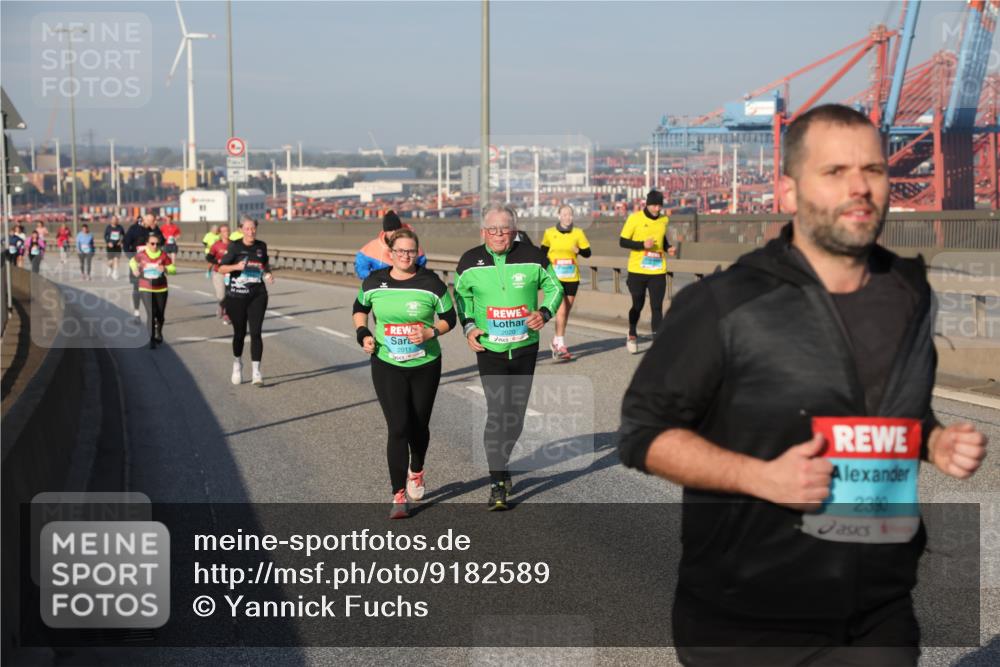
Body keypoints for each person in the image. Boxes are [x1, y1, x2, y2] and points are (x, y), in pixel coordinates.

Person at [618, 104, 989, 666]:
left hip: (878, 615)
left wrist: (932, 441)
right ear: (789, 193)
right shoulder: (725, 302)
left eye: (873, 170)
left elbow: (885, 413)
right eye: (834, 172)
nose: (859, 187)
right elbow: (642, 434)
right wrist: (761, 476)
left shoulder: (910, 294)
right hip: (744, 621)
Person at [454, 204, 563, 510]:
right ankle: (497, 482)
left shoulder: (533, 257)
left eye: (505, 229)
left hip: (525, 348)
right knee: (497, 411)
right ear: (483, 232)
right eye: (493, 229)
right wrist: (470, 327)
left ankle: (502, 464)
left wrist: (544, 312)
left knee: (514, 418)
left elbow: (556, 287)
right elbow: (461, 298)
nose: (499, 234)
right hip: (491, 350)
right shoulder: (469, 261)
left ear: (514, 231)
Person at [353, 228, 455, 519]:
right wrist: (363, 333)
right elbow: (359, 308)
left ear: (418, 252)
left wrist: (430, 331)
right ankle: (398, 495)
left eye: (411, 251)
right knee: (398, 427)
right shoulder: (375, 281)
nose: (406, 256)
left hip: (425, 364)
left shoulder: (431, 283)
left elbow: (450, 318)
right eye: (400, 251)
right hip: (387, 363)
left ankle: (417, 468)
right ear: (391, 253)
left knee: (419, 425)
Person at [217, 217, 274, 386]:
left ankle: (256, 371)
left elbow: (265, 265)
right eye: (247, 229)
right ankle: (237, 363)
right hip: (237, 296)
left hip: (257, 294)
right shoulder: (234, 246)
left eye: (253, 229)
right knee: (239, 334)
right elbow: (221, 268)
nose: (251, 232)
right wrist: (236, 267)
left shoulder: (261, 246)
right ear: (241, 229)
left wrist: (268, 274)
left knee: (256, 332)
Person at [619, 189, 675, 353]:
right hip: (637, 270)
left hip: (657, 270)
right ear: (647, 204)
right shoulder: (635, 218)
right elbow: (622, 242)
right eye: (654, 205)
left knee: (657, 306)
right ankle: (631, 333)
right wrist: (642, 245)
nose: (657, 209)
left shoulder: (664, 220)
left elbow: (661, 238)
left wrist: (668, 247)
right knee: (638, 304)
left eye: (660, 205)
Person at [540, 204, 591, 361]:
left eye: (570, 214)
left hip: (572, 278)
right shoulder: (549, 233)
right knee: (561, 310)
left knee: (566, 311)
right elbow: (542, 254)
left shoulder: (578, 233)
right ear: (559, 216)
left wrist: (579, 251)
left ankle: (556, 340)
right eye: (564, 214)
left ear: (573, 217)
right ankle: (561, 345)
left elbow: (588, 253)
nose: (567, 217)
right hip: (556, 278)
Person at [129, 234, 176, 349]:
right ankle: (151, 338)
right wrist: (134, 269)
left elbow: (173, 269)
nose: (155, 246)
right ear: (147, 244)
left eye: (157, 244)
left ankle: (159, 332)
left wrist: (165, 269)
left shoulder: (163, 255)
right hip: (145, 287)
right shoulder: (141, 255)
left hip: (161, 288)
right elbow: (132, 262)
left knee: (160, 315)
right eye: (152, 243)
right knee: (151, 313)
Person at [355, 210, 426, 279]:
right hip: (381, 287)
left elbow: (421, 268)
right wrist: (375, 279)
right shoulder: (371, 248)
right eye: (390, 229)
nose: (394, 232)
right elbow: (361, 269)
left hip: (406, 287)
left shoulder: (413, 246)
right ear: (385, 231)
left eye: (397, 228)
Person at [123, 214, 165, 318]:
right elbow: (126, 244)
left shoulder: (154, 230)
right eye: (150, 221)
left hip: (152, 264)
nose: (152, 223)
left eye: (153, 221)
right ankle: (136, 311)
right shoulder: (134, 229)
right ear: (145, 220)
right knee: (137, 287)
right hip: (137, 263)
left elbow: (162, 242)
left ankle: (152, 313)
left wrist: (155, 229)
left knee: (153, 287)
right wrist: (131, 258)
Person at [207, 224, 233, 324]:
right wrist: (217, 261)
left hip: (231, 273)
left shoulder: (233, 244)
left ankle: (227, 314)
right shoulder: (216, 245)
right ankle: (221, 305)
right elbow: (209, 257)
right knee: (222, 295)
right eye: (224, 231)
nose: (226, 233)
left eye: (228, 230)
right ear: (220, 233)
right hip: (219, 273)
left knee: (231, 295)